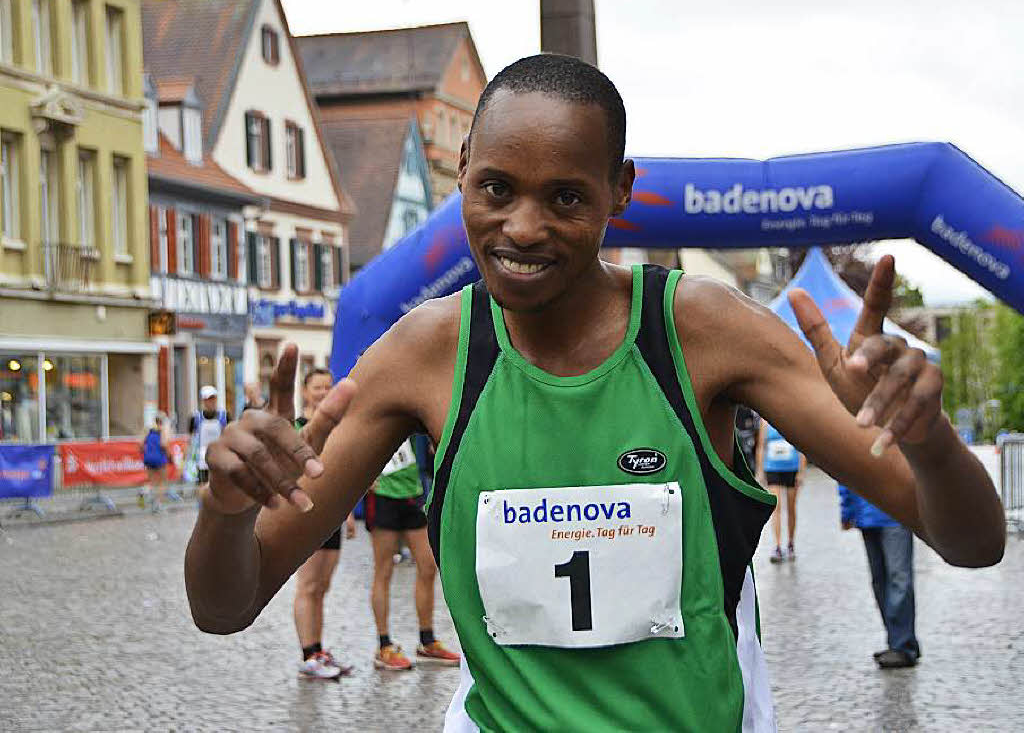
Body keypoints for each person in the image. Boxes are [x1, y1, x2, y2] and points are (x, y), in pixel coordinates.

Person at [186, 55, 1004, 732]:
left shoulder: (701, 330)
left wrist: (927, 439)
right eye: (497, 189)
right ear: (462, 171)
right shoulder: (426, 351)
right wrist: (223, 510)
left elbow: (970, 542)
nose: (524, 227)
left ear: (620, 189)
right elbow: (227, 605)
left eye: (566, 197)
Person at [365, 439, 460, 670]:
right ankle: (383, 645)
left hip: (412, 492)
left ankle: (427, 641)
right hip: (383, 494)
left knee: (428, 566)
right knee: (384, 570)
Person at [291, 368, 356, 680]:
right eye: (317, 387)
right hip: (307, 516)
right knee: (308, 585)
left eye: (328, 386)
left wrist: (348, 513)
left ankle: (319, 650)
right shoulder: (297, 427)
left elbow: (338, 473)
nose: (323, 391)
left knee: (322, 587)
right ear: (305, 391)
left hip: (332, 514)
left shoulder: (336, 427)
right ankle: (308, 655)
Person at [839, 485, 921, 669]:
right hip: (867, 515)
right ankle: (899, 641)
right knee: (880, 581)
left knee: (898, 579)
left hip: (896, 515)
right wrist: (848, 510)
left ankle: (903, 646)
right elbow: (845, 471)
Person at [756, 419, 806, 563]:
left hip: (791, 468)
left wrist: (801, 471)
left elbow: (802, 447)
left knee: (791, 508)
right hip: (772, 468)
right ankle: (777, 545)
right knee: (776, 507)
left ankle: (790, 543)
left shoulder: (792, 418)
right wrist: (760, 470)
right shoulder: (764, 422)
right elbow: (761, 446)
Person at [188, 386, 228, 485]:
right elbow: (190, 438)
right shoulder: (196, 417)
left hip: (219, 456)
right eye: (208, 399)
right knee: (203, 485)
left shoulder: (224, 416)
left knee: (219, 485)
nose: (211, 402)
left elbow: (229, 436)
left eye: (213, 398)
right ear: (203, 401)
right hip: (202, 459)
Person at [140, 412, 170, 511]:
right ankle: (158, 504)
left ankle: (145, 491)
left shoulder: (148, 430)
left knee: (152, 481)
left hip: (148, 457)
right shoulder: (163, 430)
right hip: (160, 457)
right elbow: (163, 444)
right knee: (162, 482)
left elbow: (140, 444)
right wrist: (169, 455)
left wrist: (146, 452)